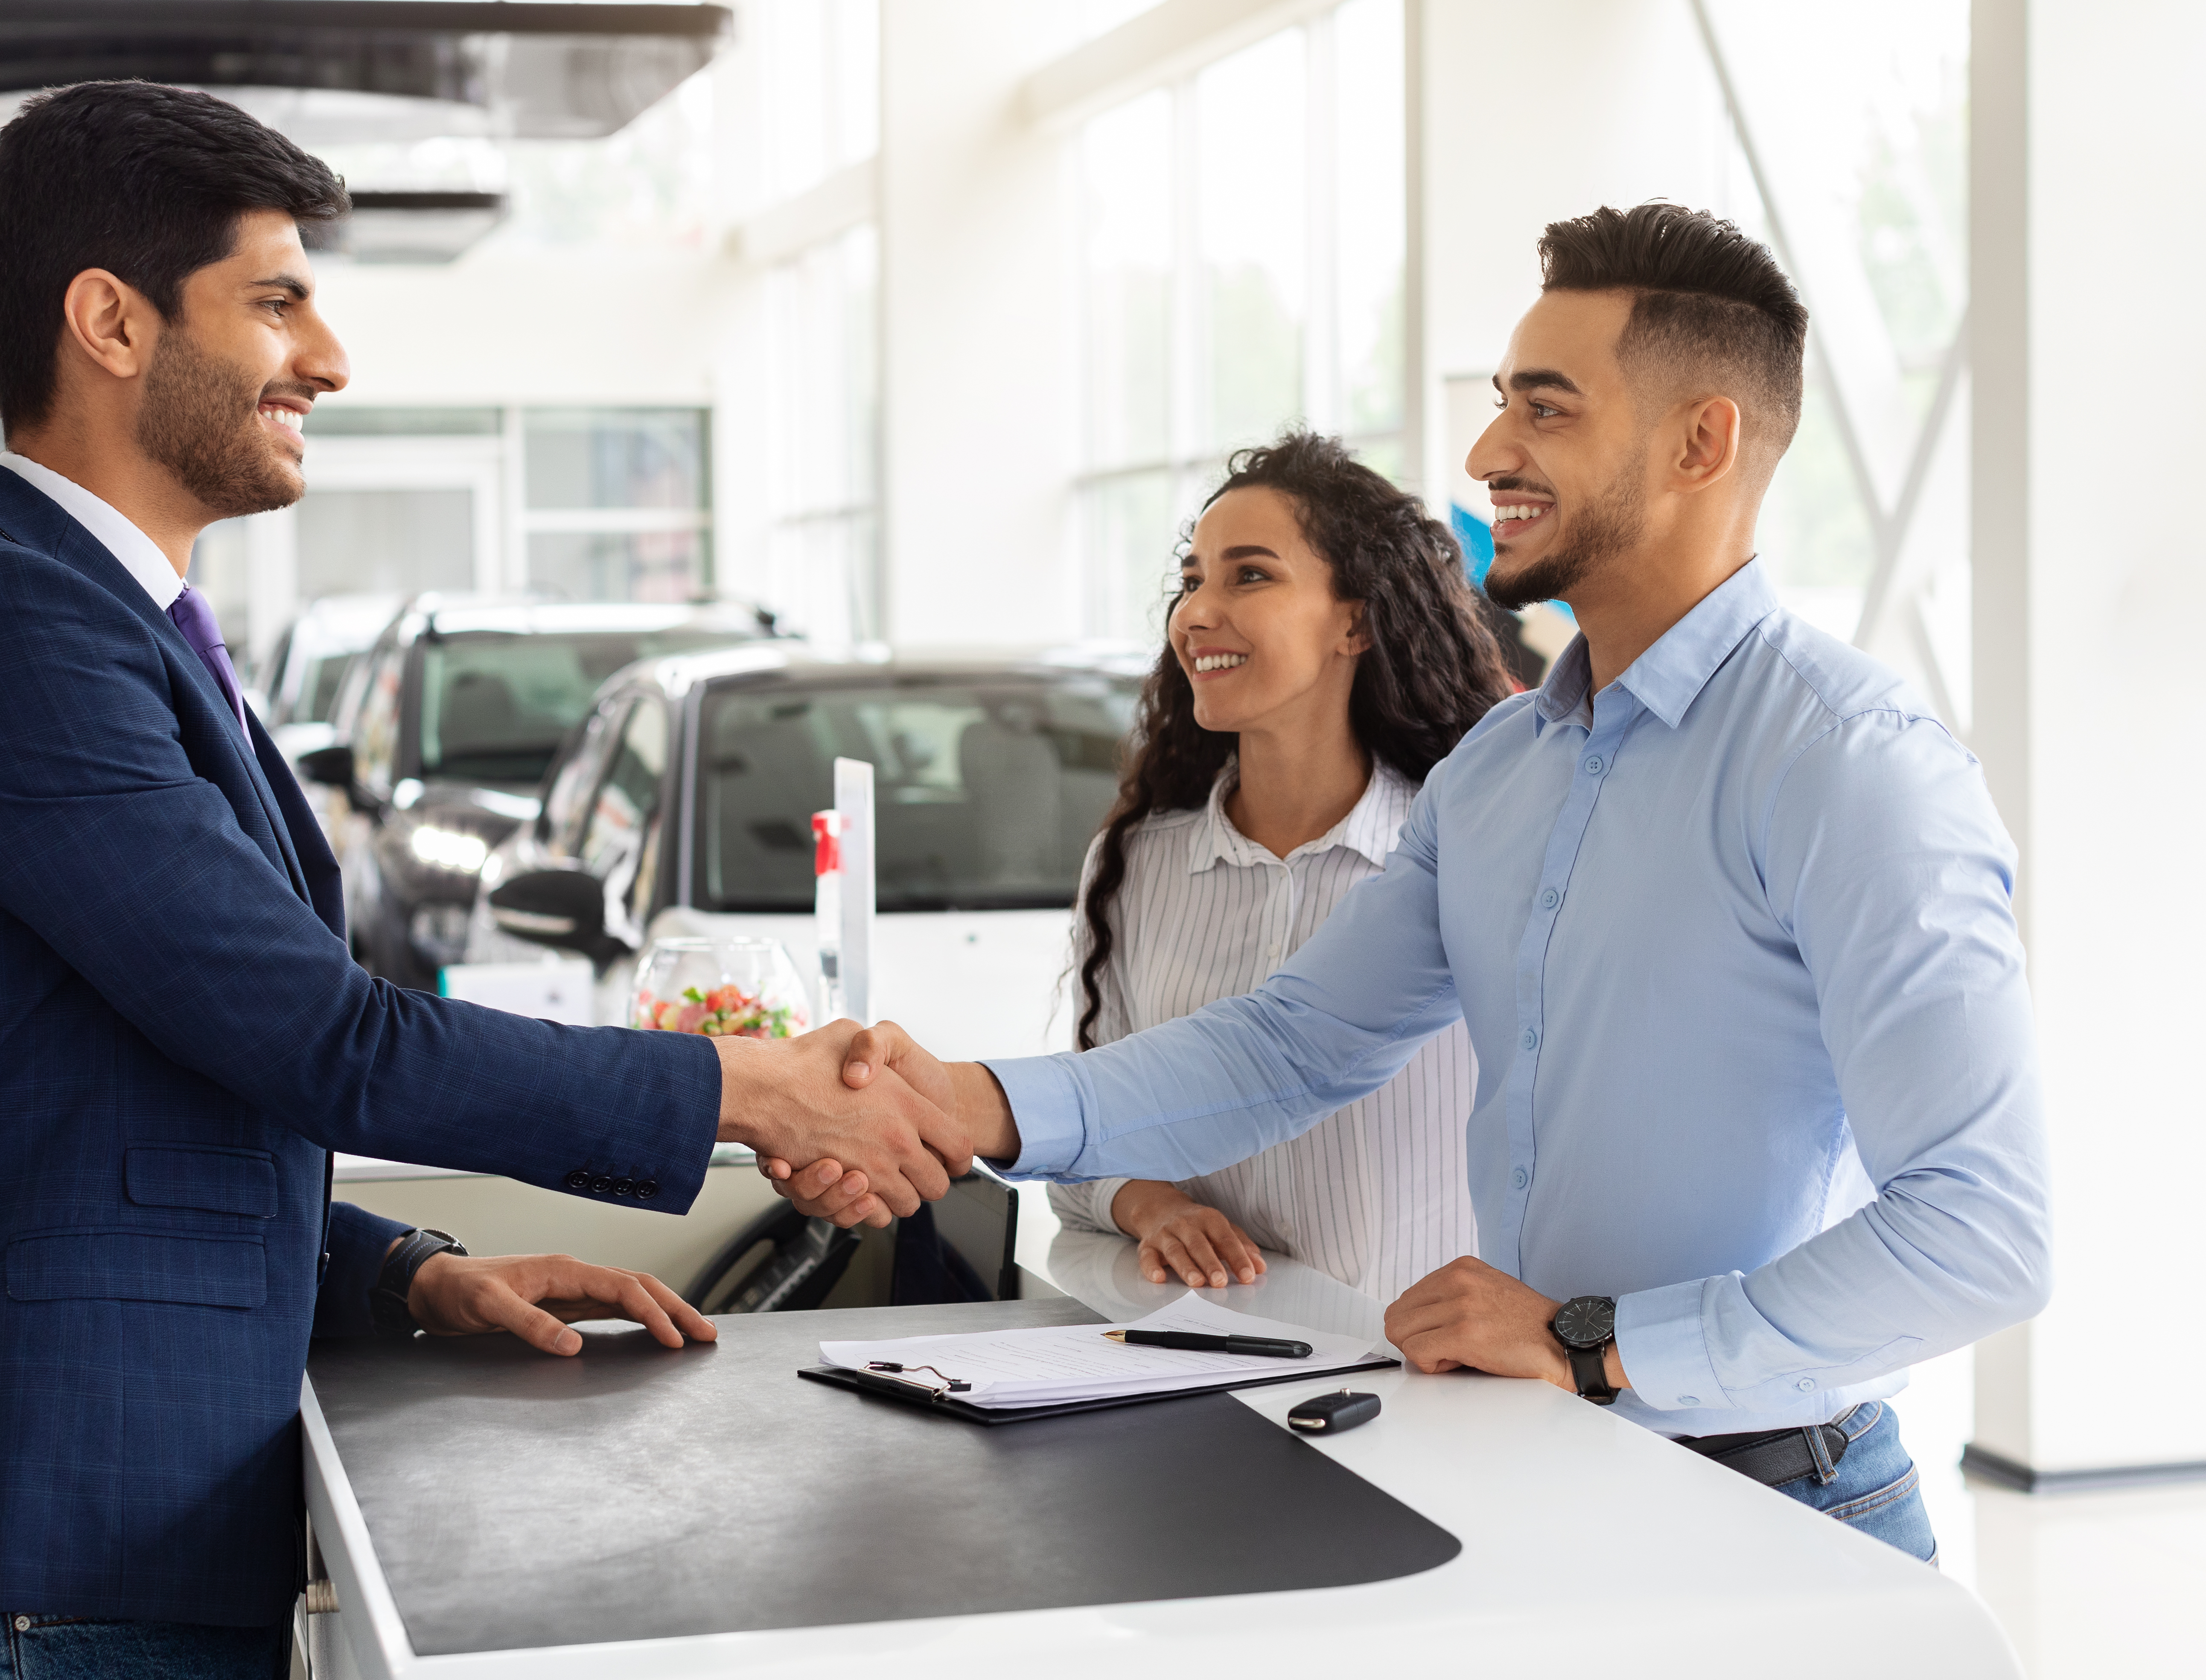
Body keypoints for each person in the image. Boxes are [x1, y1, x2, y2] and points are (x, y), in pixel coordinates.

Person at [0, 82, 960, 1675]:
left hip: (105, 1508)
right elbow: (312, 1036)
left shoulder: (103, 619)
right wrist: (749, 1089)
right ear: (110, 323)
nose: (328, 359)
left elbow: (118, 1110)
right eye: (276, 302)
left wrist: (413, 1272)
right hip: (55, 1516)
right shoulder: (10, 632)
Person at [775, 203, 2051, 1561]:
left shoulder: (1851, 765)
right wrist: (969, 1106)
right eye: (1503, 405)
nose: (1490, 453)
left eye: (1546, 413)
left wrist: (1596, 1342)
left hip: (1776, 1504)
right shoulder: (1504, 769)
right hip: (1537, 1469)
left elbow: (1984, 1230)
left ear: (1702, 442)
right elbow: (1297, 1040)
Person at [1046, 433, 1508, 1302]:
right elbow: (1081, 1139)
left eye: (1248, 576)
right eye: (1191, 582)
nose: (1195, 613)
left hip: (1431, 1392)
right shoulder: (1138, 861)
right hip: (1204, 1368)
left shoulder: (1474, 851)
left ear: (1357, 621)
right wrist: (1152, 1207)